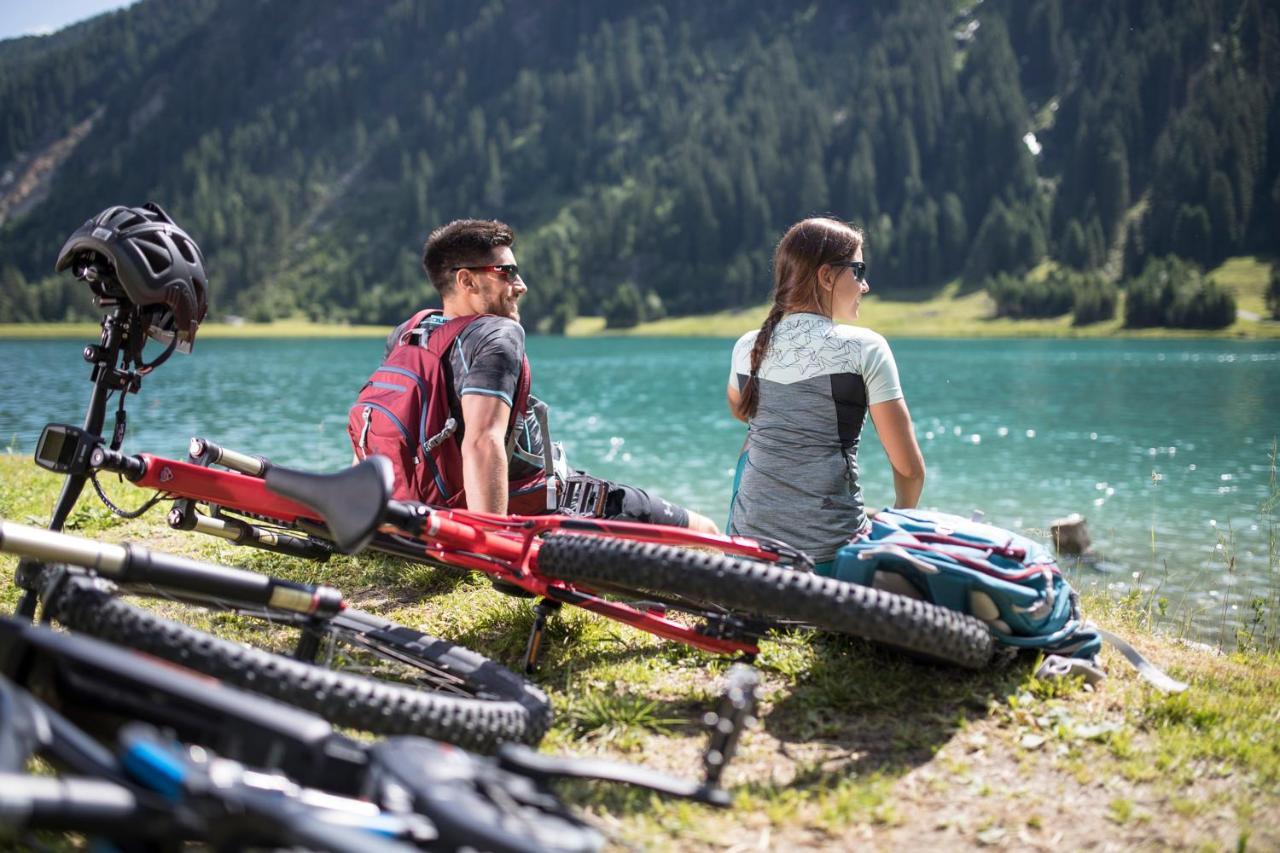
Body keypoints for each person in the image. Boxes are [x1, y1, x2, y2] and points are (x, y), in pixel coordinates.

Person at [383, 218, 719, 533]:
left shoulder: (410, 333)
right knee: (703, 531)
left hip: (433, 502)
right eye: (507, 272)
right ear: (467, 280)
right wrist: (489, 547)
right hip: (540, 503)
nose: (521, 285)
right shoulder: (497, 334)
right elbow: (482, 441)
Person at [725, 217, 925, 570]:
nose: (865, 285)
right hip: (827, 562)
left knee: (752, 444)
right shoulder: (865, 348)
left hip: (746, 561)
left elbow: (742, 411)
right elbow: (909, 469)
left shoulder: (748, 345)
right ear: (827, 276)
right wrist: (901, 525)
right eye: (858, 270)